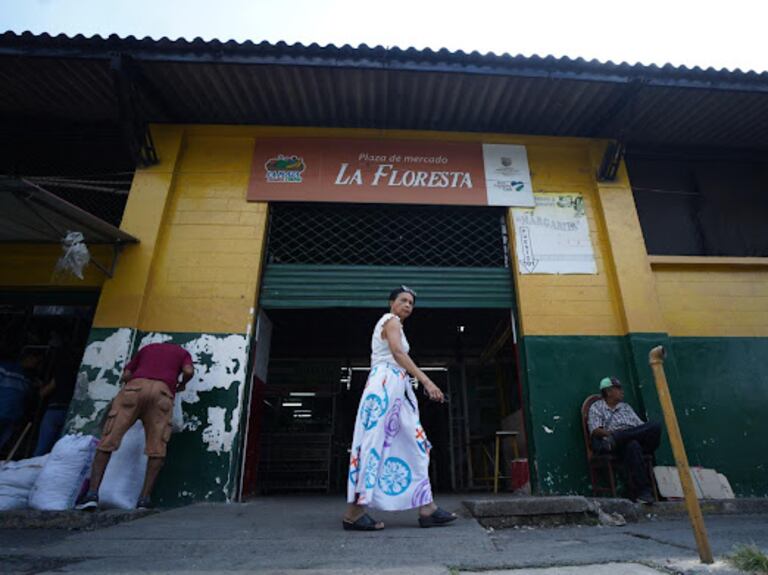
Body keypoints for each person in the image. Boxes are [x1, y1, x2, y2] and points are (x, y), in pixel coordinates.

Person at [343, 286, 457, 530]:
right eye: (403, 300)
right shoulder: (391, 321)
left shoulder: (396, 324)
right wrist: (426, 380)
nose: (408, 305)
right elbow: (396, 353)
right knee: (373, 445)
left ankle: (427, 508)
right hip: (385, 387)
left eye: (411, 303)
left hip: (396, 389)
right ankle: (353, 513)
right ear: (391, 302)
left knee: (417, 444)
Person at [76, 342, 194, 510]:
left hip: (134, 389)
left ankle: (92, 494)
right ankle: (144, 499)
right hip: (162, 393)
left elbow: (125, 375)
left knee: (108, 441)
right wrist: (182, 384)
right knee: (157, 448)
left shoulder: (146, 349)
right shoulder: (182, 353)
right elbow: (188, 371)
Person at [588, 376, 662, 504]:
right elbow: (595, 430)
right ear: (608, 391)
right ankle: (644, 493)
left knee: (655, 426)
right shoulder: (597, 407)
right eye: (618, 388)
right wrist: (612, 433)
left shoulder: (626, 407)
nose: (622, 391)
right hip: (614, 447)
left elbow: (640, 427)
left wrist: (623, 435)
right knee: (632, 446)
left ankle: (617, 438)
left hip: (628, 439)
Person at [33, 339, 80, 457]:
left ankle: (33, 465)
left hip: (54, 411)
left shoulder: (62, 372)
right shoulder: (79, 374)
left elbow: (44, 392)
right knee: (58, 448)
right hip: (69, 412)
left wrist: (39, 387)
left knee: (42, 447)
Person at [0, 349, 43, 453]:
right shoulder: (5, 368)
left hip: (13, 416)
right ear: (28, 358)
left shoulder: (29, 377)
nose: (36, 364)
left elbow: (28, 396)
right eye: (36, 361)